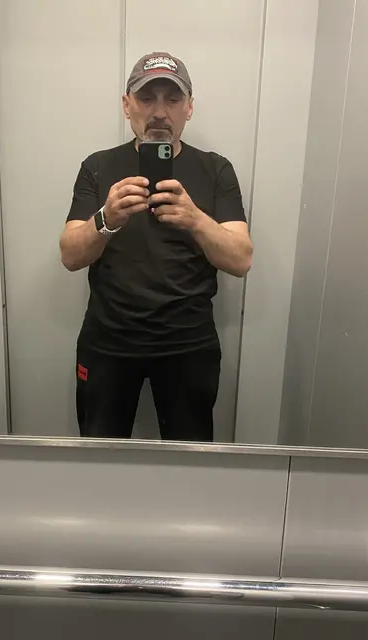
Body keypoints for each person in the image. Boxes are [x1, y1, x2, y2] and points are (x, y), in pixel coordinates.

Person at [60, 52, 253, 442]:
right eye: (147, 98)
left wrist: (195, 219)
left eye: (173, 99)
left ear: (190, 107)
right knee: (98, 454)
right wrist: (106, 218)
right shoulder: (97, 166)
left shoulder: (216, 169)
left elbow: (241, 259)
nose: (160, 112)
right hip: (109, 340)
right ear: (126, 105)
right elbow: (70, 255)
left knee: (190, 458)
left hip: (188, 343)